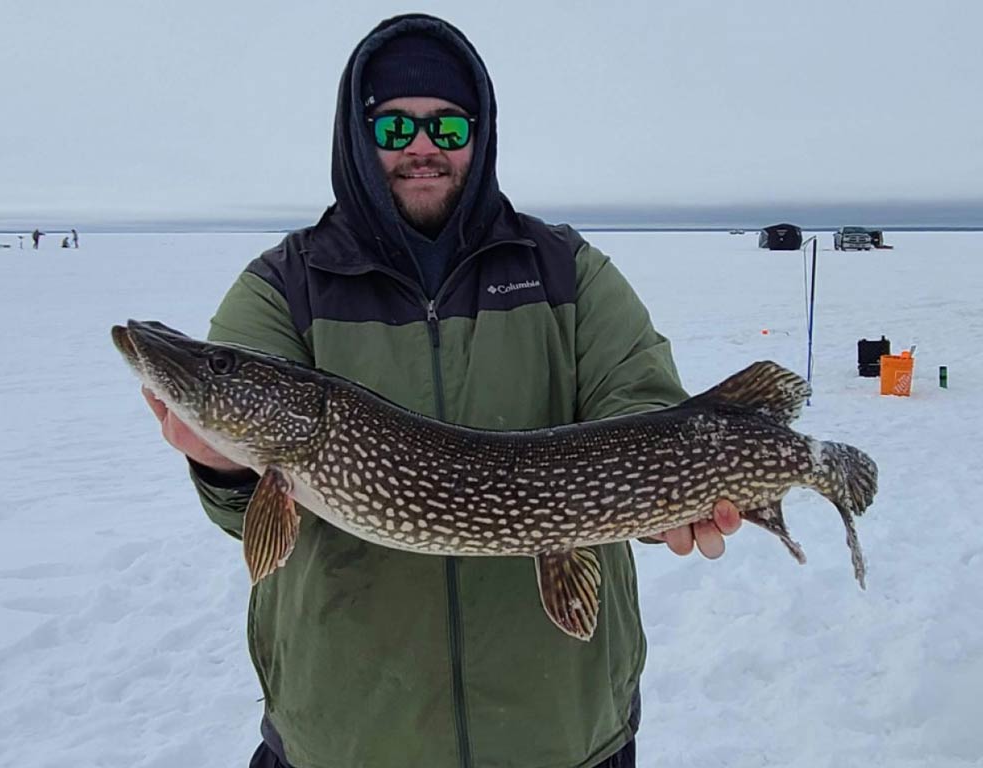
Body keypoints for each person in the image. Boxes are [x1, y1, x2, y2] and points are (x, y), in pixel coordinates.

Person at [141, 13, 742, 768]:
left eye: (447, 126)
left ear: (478, 135)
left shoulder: (566, 270)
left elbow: (642, 406)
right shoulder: (283, 287)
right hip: (351, 736)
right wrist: (224, 466)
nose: (422, 147)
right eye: (394, 129)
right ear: (359, 140)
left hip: (560, 730)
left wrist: (664, 503)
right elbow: (247, 511)